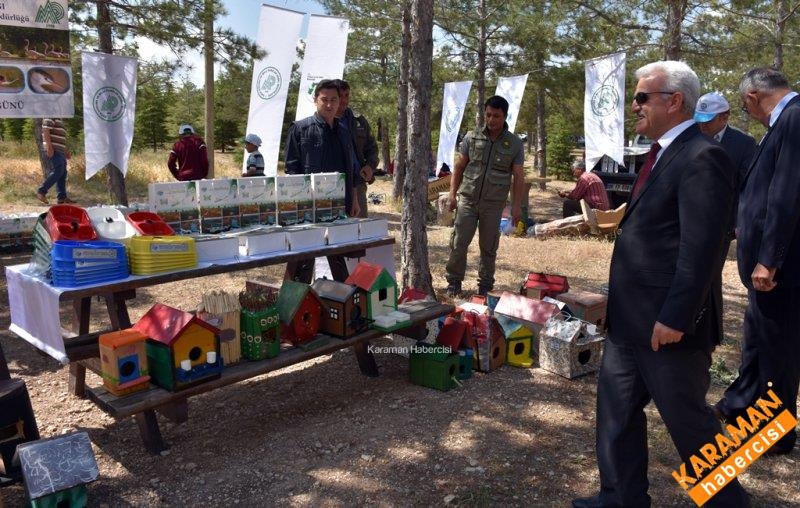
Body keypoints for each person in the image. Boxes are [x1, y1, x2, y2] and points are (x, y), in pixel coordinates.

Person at [572, 61, 749, 508]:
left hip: (667, 326)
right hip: (630, 321)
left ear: (674, 100)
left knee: (689, 424)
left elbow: (703, 248)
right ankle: (621, 496)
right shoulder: (662, 152)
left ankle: (729, 502)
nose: (634, 105)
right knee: (616, 415)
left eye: (642, 97)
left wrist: (676, 316)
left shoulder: (703, 156)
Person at [714, 67, 800, 455]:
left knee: (778, 349)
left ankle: (776, 434)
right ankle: (740, 404)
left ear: (751, 97)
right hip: (768, 267)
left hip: (782, 268)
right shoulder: (785, 121)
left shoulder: (795, 118)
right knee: (757, 339)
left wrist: (769, 259)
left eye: (746, 109)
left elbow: (787, 193)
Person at [444, 95, 525, 297]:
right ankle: (454, 282)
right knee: (459, 242)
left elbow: (518, 176)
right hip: (468, 201)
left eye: (496, 116)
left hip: (493, 204)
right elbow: (459, 167)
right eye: (488, 115)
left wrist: (516, 207)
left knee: (488, 247)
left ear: (504, 116)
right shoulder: (472, 138)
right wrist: (453, 195)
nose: (491, 120)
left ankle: (485, 285)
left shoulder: (514, 143)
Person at [284, 79, 358, 282]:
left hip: (338, 206)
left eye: (334, 100)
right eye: (324, 99)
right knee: (302, 261)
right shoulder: (300, 129)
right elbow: (291, 169)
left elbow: (350, 168)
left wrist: (354, 198)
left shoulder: (344, 130)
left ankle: (345, 306)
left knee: (338, 256)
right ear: (315, 100)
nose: (329, 105)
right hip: (308, 207)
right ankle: (295, 306)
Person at [334, 79, 378, 218]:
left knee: (359, 229)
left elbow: (372, 148)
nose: (344, 100)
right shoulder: (324, 121)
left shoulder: (358, 120)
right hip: (332, 183)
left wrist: (370, 166)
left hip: (357, 182)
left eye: (347, 95)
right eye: (340, 96)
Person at [694, 92, 757, 179]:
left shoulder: (745, 144)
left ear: (724, 117)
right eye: (699, 120)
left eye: (708, 121)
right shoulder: (690, 138)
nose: (702, 125)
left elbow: (745, 181)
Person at [36, 118, 74, 205]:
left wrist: (65, 151)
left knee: (63, 172)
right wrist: (49, 147)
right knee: (58, 170)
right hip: (54, 149)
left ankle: (62, 197)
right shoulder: (51, 114)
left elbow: (60, 138)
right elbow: (46, 130)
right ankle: (41, 191)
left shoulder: (59, 118)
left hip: (60, 150)